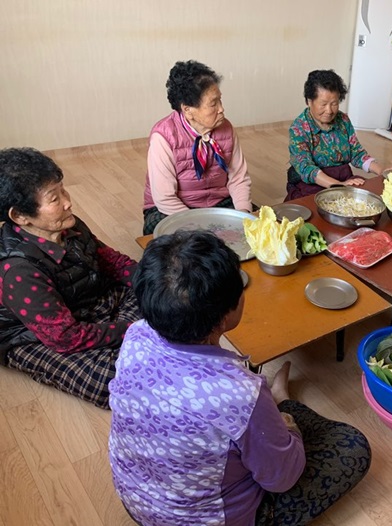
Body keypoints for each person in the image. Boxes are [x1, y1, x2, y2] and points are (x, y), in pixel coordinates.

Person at [109, 230, 371, 525]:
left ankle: (279, 406)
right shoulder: (240, 395)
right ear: (225, 316)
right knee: (352, 445)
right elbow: (281, 479)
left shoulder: (135, 335)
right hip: (204, 519)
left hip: (136, 499)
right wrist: (289, 424)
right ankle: (285, 403)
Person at [0, 148, 140, 408]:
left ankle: (137, 339)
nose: (68, 202)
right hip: (38, 335)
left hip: (87, 302)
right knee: (115, 380)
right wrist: (132, 330)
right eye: (54, 198)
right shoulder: (19, 271)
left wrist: (154, 282)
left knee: (162, 298)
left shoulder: (67, 223)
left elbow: (111, 261)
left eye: (63, 190)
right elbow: (65, 337)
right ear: (20, 216)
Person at [143, 60, 252, 235]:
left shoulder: (227, 129)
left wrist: (243, 215)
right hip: (174, 210)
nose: (222, 109)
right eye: (213, 104)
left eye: (220, 100)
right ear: (187, 110)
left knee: (261, 227)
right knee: (180, 250)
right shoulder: (163, 137)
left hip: (219, 202)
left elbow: (238, 178)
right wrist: (199, 228)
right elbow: (165, 198)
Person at [285, 69, 392, 200]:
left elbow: (357, 153)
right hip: (314, 185)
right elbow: (306, 168)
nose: (329, 110)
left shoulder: (343, 120)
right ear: (309, 101)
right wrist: (338, 185)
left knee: (370, 195)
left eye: (334, 104)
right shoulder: (299, 128)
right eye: (323, 104)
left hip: (344, 179)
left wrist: (382, 171)